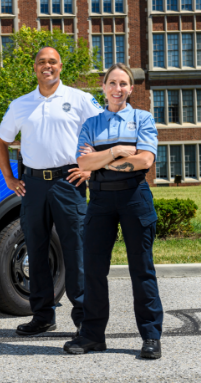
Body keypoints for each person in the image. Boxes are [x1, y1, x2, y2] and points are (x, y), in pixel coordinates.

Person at [0, 47, 103, 336]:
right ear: (34, 68)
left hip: (69, 182)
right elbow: (0, 141)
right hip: (33, 186)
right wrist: (8, 177)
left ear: (61, 67)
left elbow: (104, 131)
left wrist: (91, 169)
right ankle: (42, 316)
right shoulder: (20, 104)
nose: (47, 66)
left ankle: (84, 321)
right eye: (42, 62)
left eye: (52, 62)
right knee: (37, 250)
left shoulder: (79, 99)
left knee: (76, 251)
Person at [63, 63, 163, 359]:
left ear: (131, 89)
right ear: (103, 87)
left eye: (123, 84)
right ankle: (92, 336)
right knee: (93, 271)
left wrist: (101, 161)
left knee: (141, 269)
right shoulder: (92, 124)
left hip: (135, 197)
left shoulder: (143, 119)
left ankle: (151, 336)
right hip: (101, 201)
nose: (117, 89)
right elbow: (82, 165)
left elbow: (145, 161)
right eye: (112, 83)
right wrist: (118, 150)